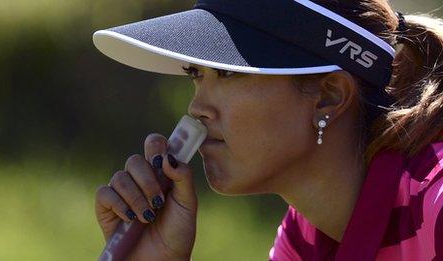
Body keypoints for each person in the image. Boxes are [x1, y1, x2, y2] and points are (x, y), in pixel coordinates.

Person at [92, 0, 443, 260]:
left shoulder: (436, 208)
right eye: (196, 73)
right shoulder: (305, 236)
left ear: (328, 96)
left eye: (227, 73)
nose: (196, 109)